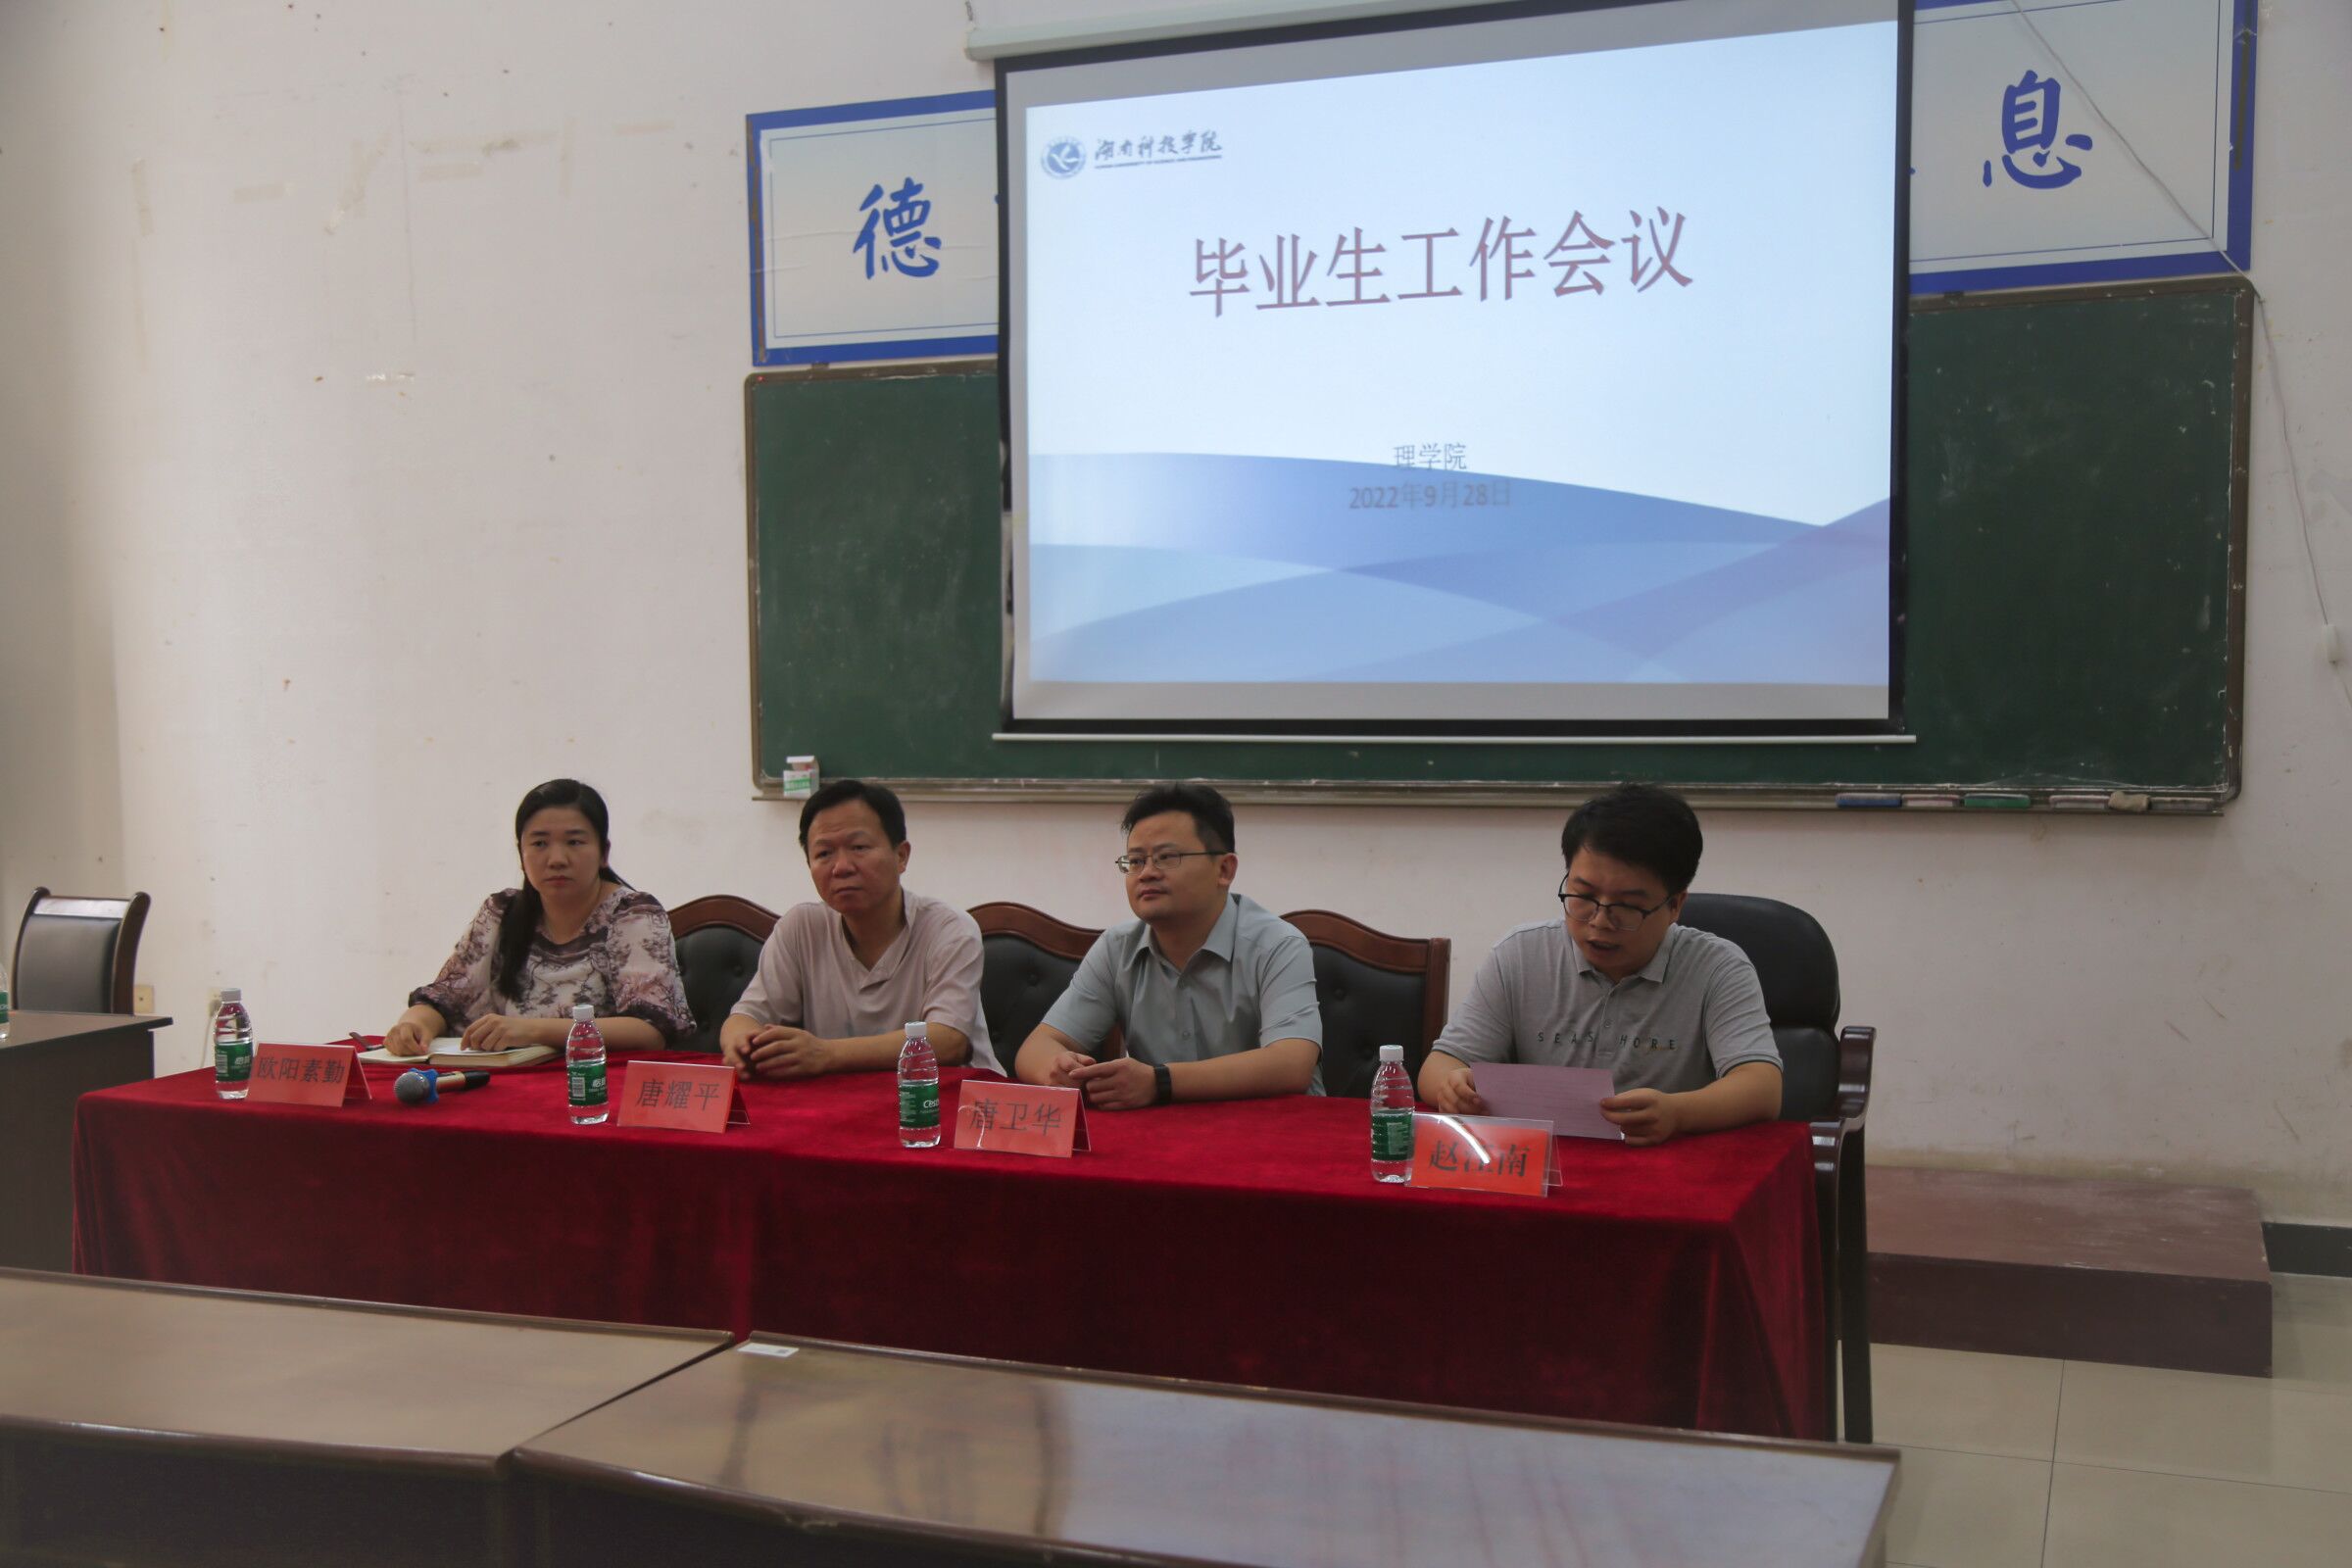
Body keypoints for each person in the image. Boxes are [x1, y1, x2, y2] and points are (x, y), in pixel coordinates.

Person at [1418, 783, 1782, 1146]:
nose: (1600, 921)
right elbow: (1440, 1065)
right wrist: (1454, 1087)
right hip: (1548, 1164)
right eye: (1584, 895)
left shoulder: (1718, 968)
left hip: (1666, 1165)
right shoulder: (1521, 955)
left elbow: (1762, 1087)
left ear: (1675, 905)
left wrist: (1678, 1113)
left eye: (1627, 906)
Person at [1014, 782, 1322, 1108]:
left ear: (1224, 869)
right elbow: (1036, 1048)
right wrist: (1060, 1070)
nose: (1146, 873)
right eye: (1135, 861)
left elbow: (1292, 1062)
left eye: (1166, 857)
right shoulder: (1117, 948)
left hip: (1275, 1127)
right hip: (1164, 1132)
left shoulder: (1277, 945)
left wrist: (1159, 1082)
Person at [385, 778, 695, 1054]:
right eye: (539, 844)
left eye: (574, 842)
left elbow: (650, 1030)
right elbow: (444, 999)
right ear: (521, 855)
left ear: (604, 853)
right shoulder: (501, 912)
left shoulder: (633, 914)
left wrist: (531, 1031)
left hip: (597, 1081)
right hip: (511, 1080)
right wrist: (414, 1025)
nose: (557, 859)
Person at [719, 779, 997, 1080]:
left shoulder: (949, 930)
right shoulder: (800, 928)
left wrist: (826, 1054)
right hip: (842, 1099)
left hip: (947, 1097)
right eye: (824, 854)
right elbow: (746, 1016)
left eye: (859, 847)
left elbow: (948, 1040)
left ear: (901, 856)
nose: (841, 867)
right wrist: (743, 1044)